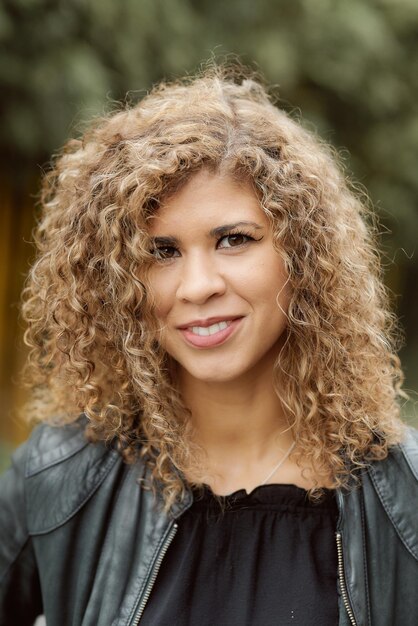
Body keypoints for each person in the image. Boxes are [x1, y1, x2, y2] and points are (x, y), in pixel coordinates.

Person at [0, 65, 417, 626]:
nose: (198, 286)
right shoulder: (61, 476)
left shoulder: (405, 497)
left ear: (304, 256)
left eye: (234, 240)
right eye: (162, 252)